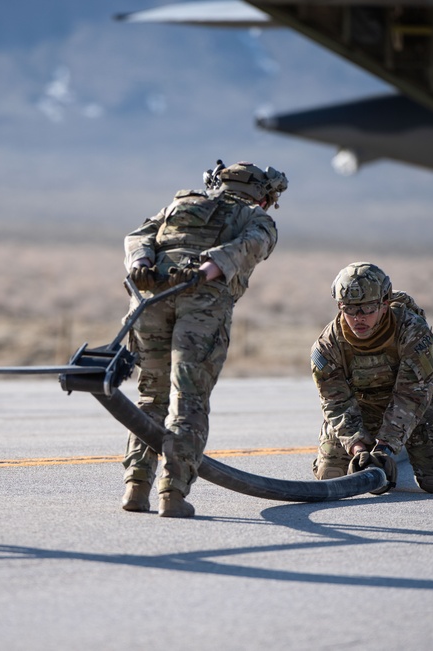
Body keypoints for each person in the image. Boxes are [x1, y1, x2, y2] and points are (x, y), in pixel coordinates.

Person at [121, 160, 288, 517]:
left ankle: (136, 486)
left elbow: (139, 238)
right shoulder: (256, 218)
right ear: (261, 193)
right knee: (189, 400)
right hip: (203, 306)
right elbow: (252, 246)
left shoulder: (181, 204)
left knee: (152, 396)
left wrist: (142, 263)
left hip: (151, 301)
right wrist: (209, 268)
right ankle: (173, 493)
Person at [309, 261, 433, 494]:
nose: (358, 318)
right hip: (361, 409)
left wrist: (385, 449)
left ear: (384, 304)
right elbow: (335, 402)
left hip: (415, 409)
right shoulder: (327, 346)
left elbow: (411, 395)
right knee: (331, 476)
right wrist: (358, 449)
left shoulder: (411, 331)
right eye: (349, 309)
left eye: (367, 308)